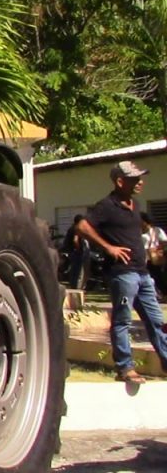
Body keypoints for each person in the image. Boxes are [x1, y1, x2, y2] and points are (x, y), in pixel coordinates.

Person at [77, 160, 167, 384]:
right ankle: (125, 368)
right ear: (120, 181)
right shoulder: (106, 206)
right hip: (123, 274)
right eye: (135, 179)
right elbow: (82, 226)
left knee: (156, 320)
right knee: (123, 320)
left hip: (143, 274)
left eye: (140, 178)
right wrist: (108, 247)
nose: (140, 182)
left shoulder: (135, 205)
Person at [141, 212, 167, 297]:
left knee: (158, 277)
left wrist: (156, 248)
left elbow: (164, 242)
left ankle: (164, 294)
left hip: (153, 257)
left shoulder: (156, 230)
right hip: (142, 258)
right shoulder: (136, 231)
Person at [62, 214, 91, 290]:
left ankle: (73, 286)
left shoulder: (71, 228)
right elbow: (75, 240)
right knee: (79, 271)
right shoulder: (77, 228)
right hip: (76, 252)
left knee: (74, 271)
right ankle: (78, 288)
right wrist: (78, 249)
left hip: (71, 252)